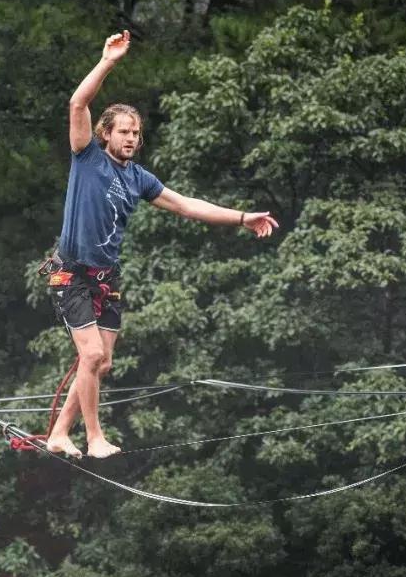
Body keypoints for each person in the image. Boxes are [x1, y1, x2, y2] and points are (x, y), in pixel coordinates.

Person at [46, 30, 277, 459]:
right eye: (125, 131)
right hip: (71, 272)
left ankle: (60, 432)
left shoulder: (139, 179)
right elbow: (77, 103)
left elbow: (187, 205)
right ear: (106, 133)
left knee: (103, 363)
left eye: (137, 132)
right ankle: (94, 438)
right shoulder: (87, 156)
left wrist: (243, 217)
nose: (132, 138)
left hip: (106, 276)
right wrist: (108, 61)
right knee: (91, 355)